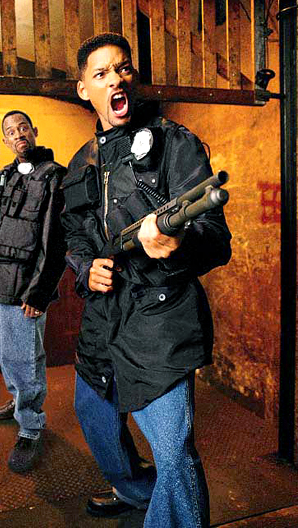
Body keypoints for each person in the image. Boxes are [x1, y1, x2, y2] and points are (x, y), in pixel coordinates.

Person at [61, 33, 232, 527]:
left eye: (123, 68)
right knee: (95, 416)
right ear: (83, 90)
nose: (116, 79)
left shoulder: (175, 144)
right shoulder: (80, 164)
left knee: (174, 453)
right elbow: (75, 237)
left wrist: (178, 242)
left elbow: (215, 239)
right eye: (101, 74)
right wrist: (86, 269)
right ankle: (136, 491)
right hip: (102, 319)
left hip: (160, 317)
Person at [0, 110, 67, 473]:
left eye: (23, 127)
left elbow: (55, 240)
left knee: (26, 359)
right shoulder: (1, 177)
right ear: (5, 141)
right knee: (8, 354)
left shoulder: (54, 176)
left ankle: (31, 426)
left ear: (34, 131)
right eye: (10, 131)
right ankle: (19, 400)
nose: (18, 133)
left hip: (25, 287)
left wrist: (39, 293)